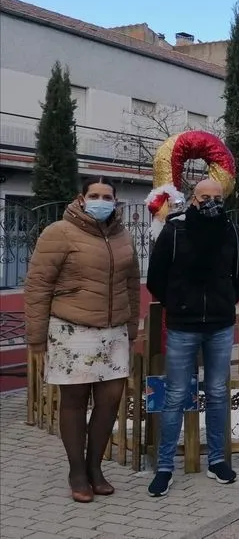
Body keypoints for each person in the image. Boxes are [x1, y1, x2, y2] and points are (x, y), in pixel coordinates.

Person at [24, 177, 141, 503]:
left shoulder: (123, 235)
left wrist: (132, 325)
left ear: (115, 201)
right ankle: (77, 472)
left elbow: (132, 284)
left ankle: (95, 468)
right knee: (74, 402)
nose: (101, 200)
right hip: (72, 330)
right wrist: (36, 339)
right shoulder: (58, 233)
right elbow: (37, 287)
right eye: (95, 195)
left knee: (111, 400)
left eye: (107, 196)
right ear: (82, 198)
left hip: (114, 331)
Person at [145, 178, 239, 497]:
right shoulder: (175, 231)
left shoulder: (230, 231)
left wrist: (222, 302)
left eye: (216, 197)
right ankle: (165, 467)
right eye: (205, 196)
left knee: (218, 393)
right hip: (182, 325)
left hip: (219, 325)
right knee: (176, 394)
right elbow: (156, 277)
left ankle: (217, 461)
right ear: (193, 198)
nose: (211, 202)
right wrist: (178, 304)